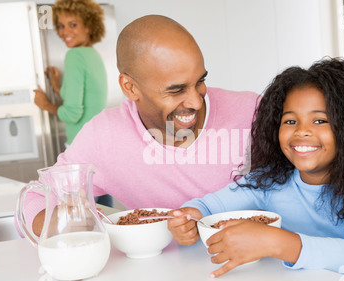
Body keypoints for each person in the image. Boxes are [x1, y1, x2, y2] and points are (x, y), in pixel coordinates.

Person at [169, 58, 344, 281]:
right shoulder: (270, 181)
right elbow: (208, 205)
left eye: (320, 120)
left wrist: (273, 242)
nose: (302, 132)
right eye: (290, 121)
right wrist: (188, 218)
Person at [17, 15, 259, 237]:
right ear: (130, 87)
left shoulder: (252, 111)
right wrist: (62, 221)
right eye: (176, 90)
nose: (196, 101)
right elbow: (36, 197)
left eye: (200, 81)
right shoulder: (105, 135)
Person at [33, 0, 112, 207]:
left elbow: (73, 113)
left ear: (89, 25)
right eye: (61, 25)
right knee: (102, 209)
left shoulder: (75, 56)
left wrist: (46, 104)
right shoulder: (91, 55)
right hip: (98, 148)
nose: (65, 31)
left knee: (83, 215)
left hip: (80, 149)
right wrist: (59, 87)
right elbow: (88, 101)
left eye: (73, 24)